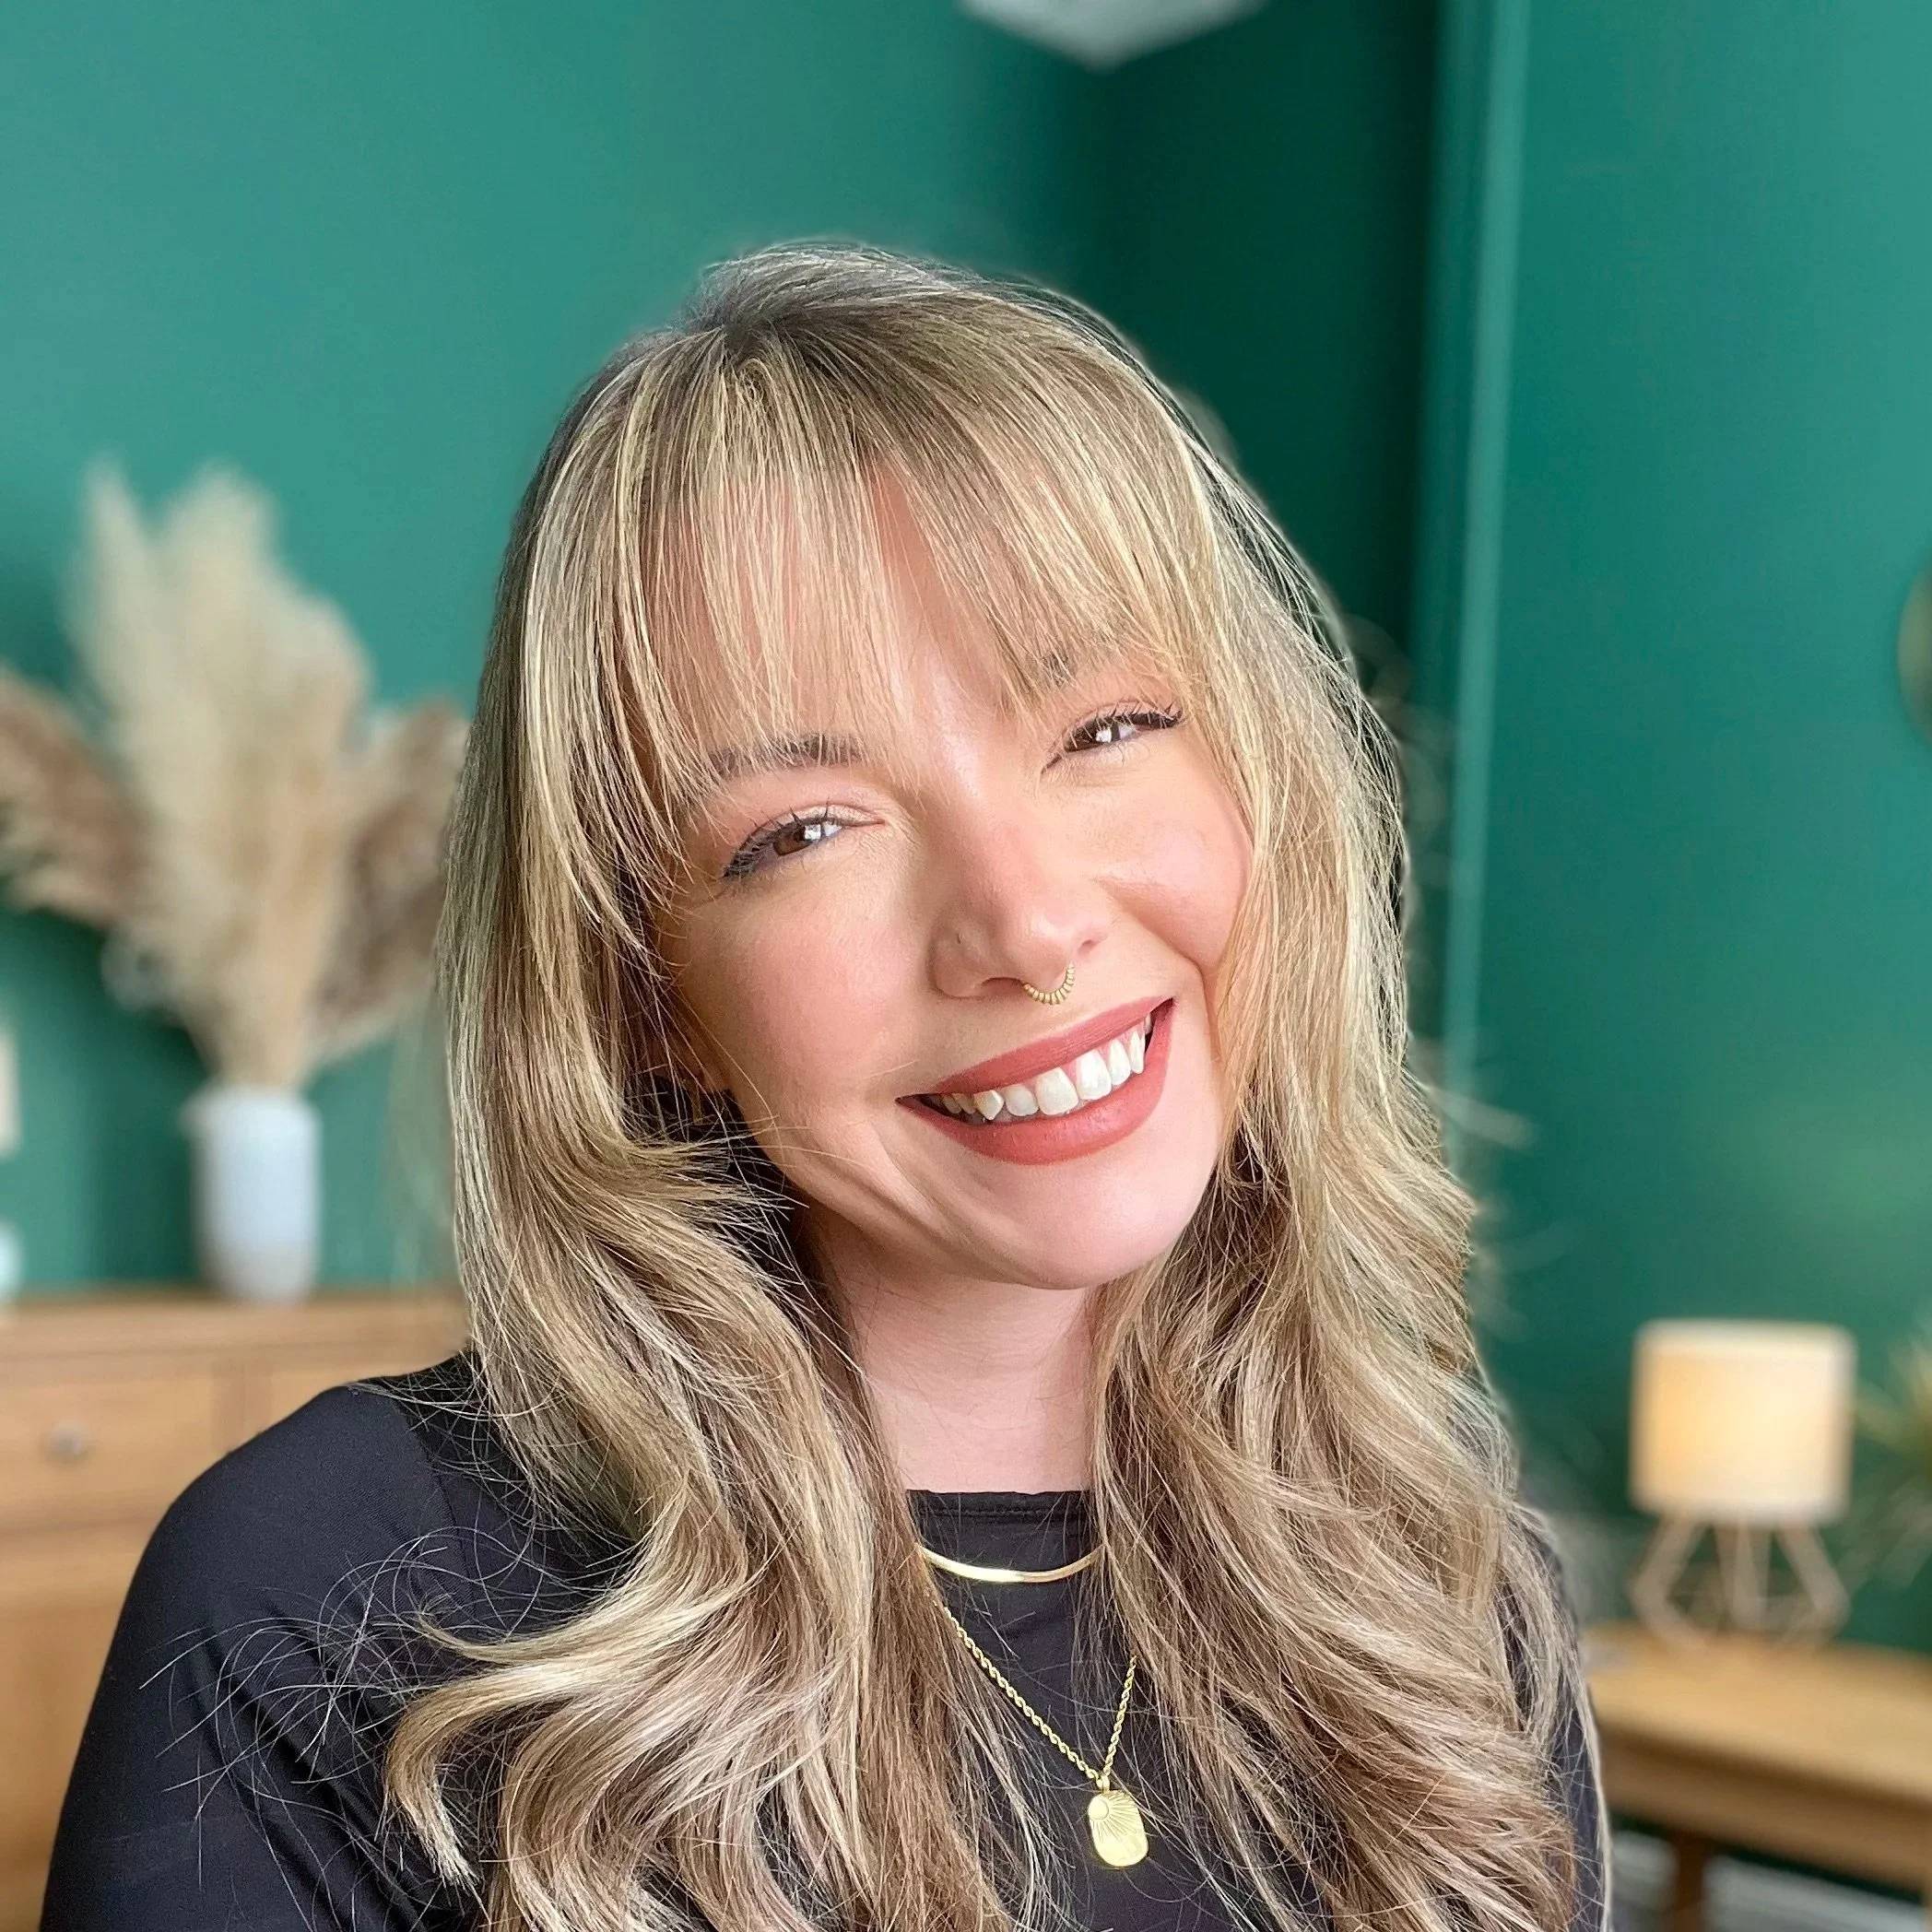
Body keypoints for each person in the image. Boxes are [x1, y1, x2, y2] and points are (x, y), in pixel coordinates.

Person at [41, 242, 1608, 1932]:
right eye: (802, 831)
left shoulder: (1452, 1580)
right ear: (643, 995)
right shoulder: (312, 1603)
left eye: (1102, 729)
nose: (1026, 924)